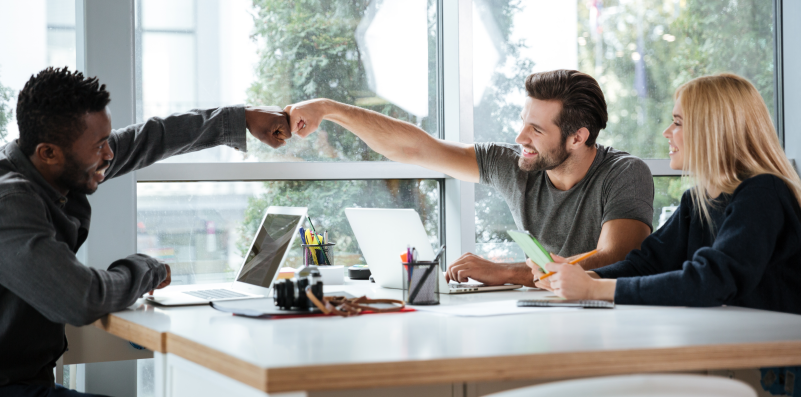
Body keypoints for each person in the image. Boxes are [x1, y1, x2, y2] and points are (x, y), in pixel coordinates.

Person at [0, 67, 292, 396]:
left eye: (107, 141)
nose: (109, 155)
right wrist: (144, 269)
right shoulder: (9, 201)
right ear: (48, 152)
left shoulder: (54, 168)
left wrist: (241, 119)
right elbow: (82, 298)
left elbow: (149, 138)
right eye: (98, 147)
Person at [284, 69, 654, 287]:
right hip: (547, 314)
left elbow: (616, 258)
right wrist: (329, 109)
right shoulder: (514, 164)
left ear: (578, 137)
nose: (520, 138)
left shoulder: (624, 173)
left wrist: (505, 271)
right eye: (523, 123)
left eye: (536, 131)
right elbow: (416, 148)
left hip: (609, 323)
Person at [536, 73, 801, 315]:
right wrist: (584, 277)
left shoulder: (762, 193)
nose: (666, 132)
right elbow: (647, 264)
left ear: (712, 130)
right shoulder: (697, 201)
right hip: (733, 342)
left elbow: (711, 281)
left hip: (774, 358)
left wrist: (594, 290)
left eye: (677, 123)